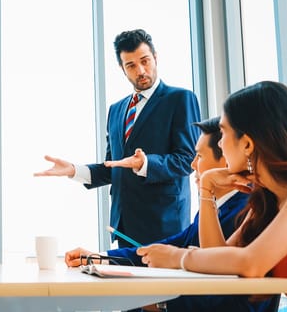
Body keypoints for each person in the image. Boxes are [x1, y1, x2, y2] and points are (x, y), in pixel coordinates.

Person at [137, 81, 287, 311]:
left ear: (246, 144)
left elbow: (251, 263)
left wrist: (178, 257)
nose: (219, 143)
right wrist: (206, 189)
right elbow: (220, 260)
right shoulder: (269, 200)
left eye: (223, 133)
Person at [64, 116, 278, 311]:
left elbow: (223, 284)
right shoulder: (222, 206)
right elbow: (174, 245)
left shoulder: (246, 209)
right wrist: (100, 257)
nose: (193, 165)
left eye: (199, 156)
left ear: (226, 160)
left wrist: (160, 302)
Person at [35, 29, 201, 246]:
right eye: (131, 65)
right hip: (125, 226)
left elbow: (187, 159)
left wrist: (146, 163)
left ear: (156, 58)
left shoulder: (180, 99)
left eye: (145, 61)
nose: (140, 70)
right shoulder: (116, 110)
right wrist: (75, 170)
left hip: (165, 224)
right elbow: (113, 167)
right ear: (122, 69)